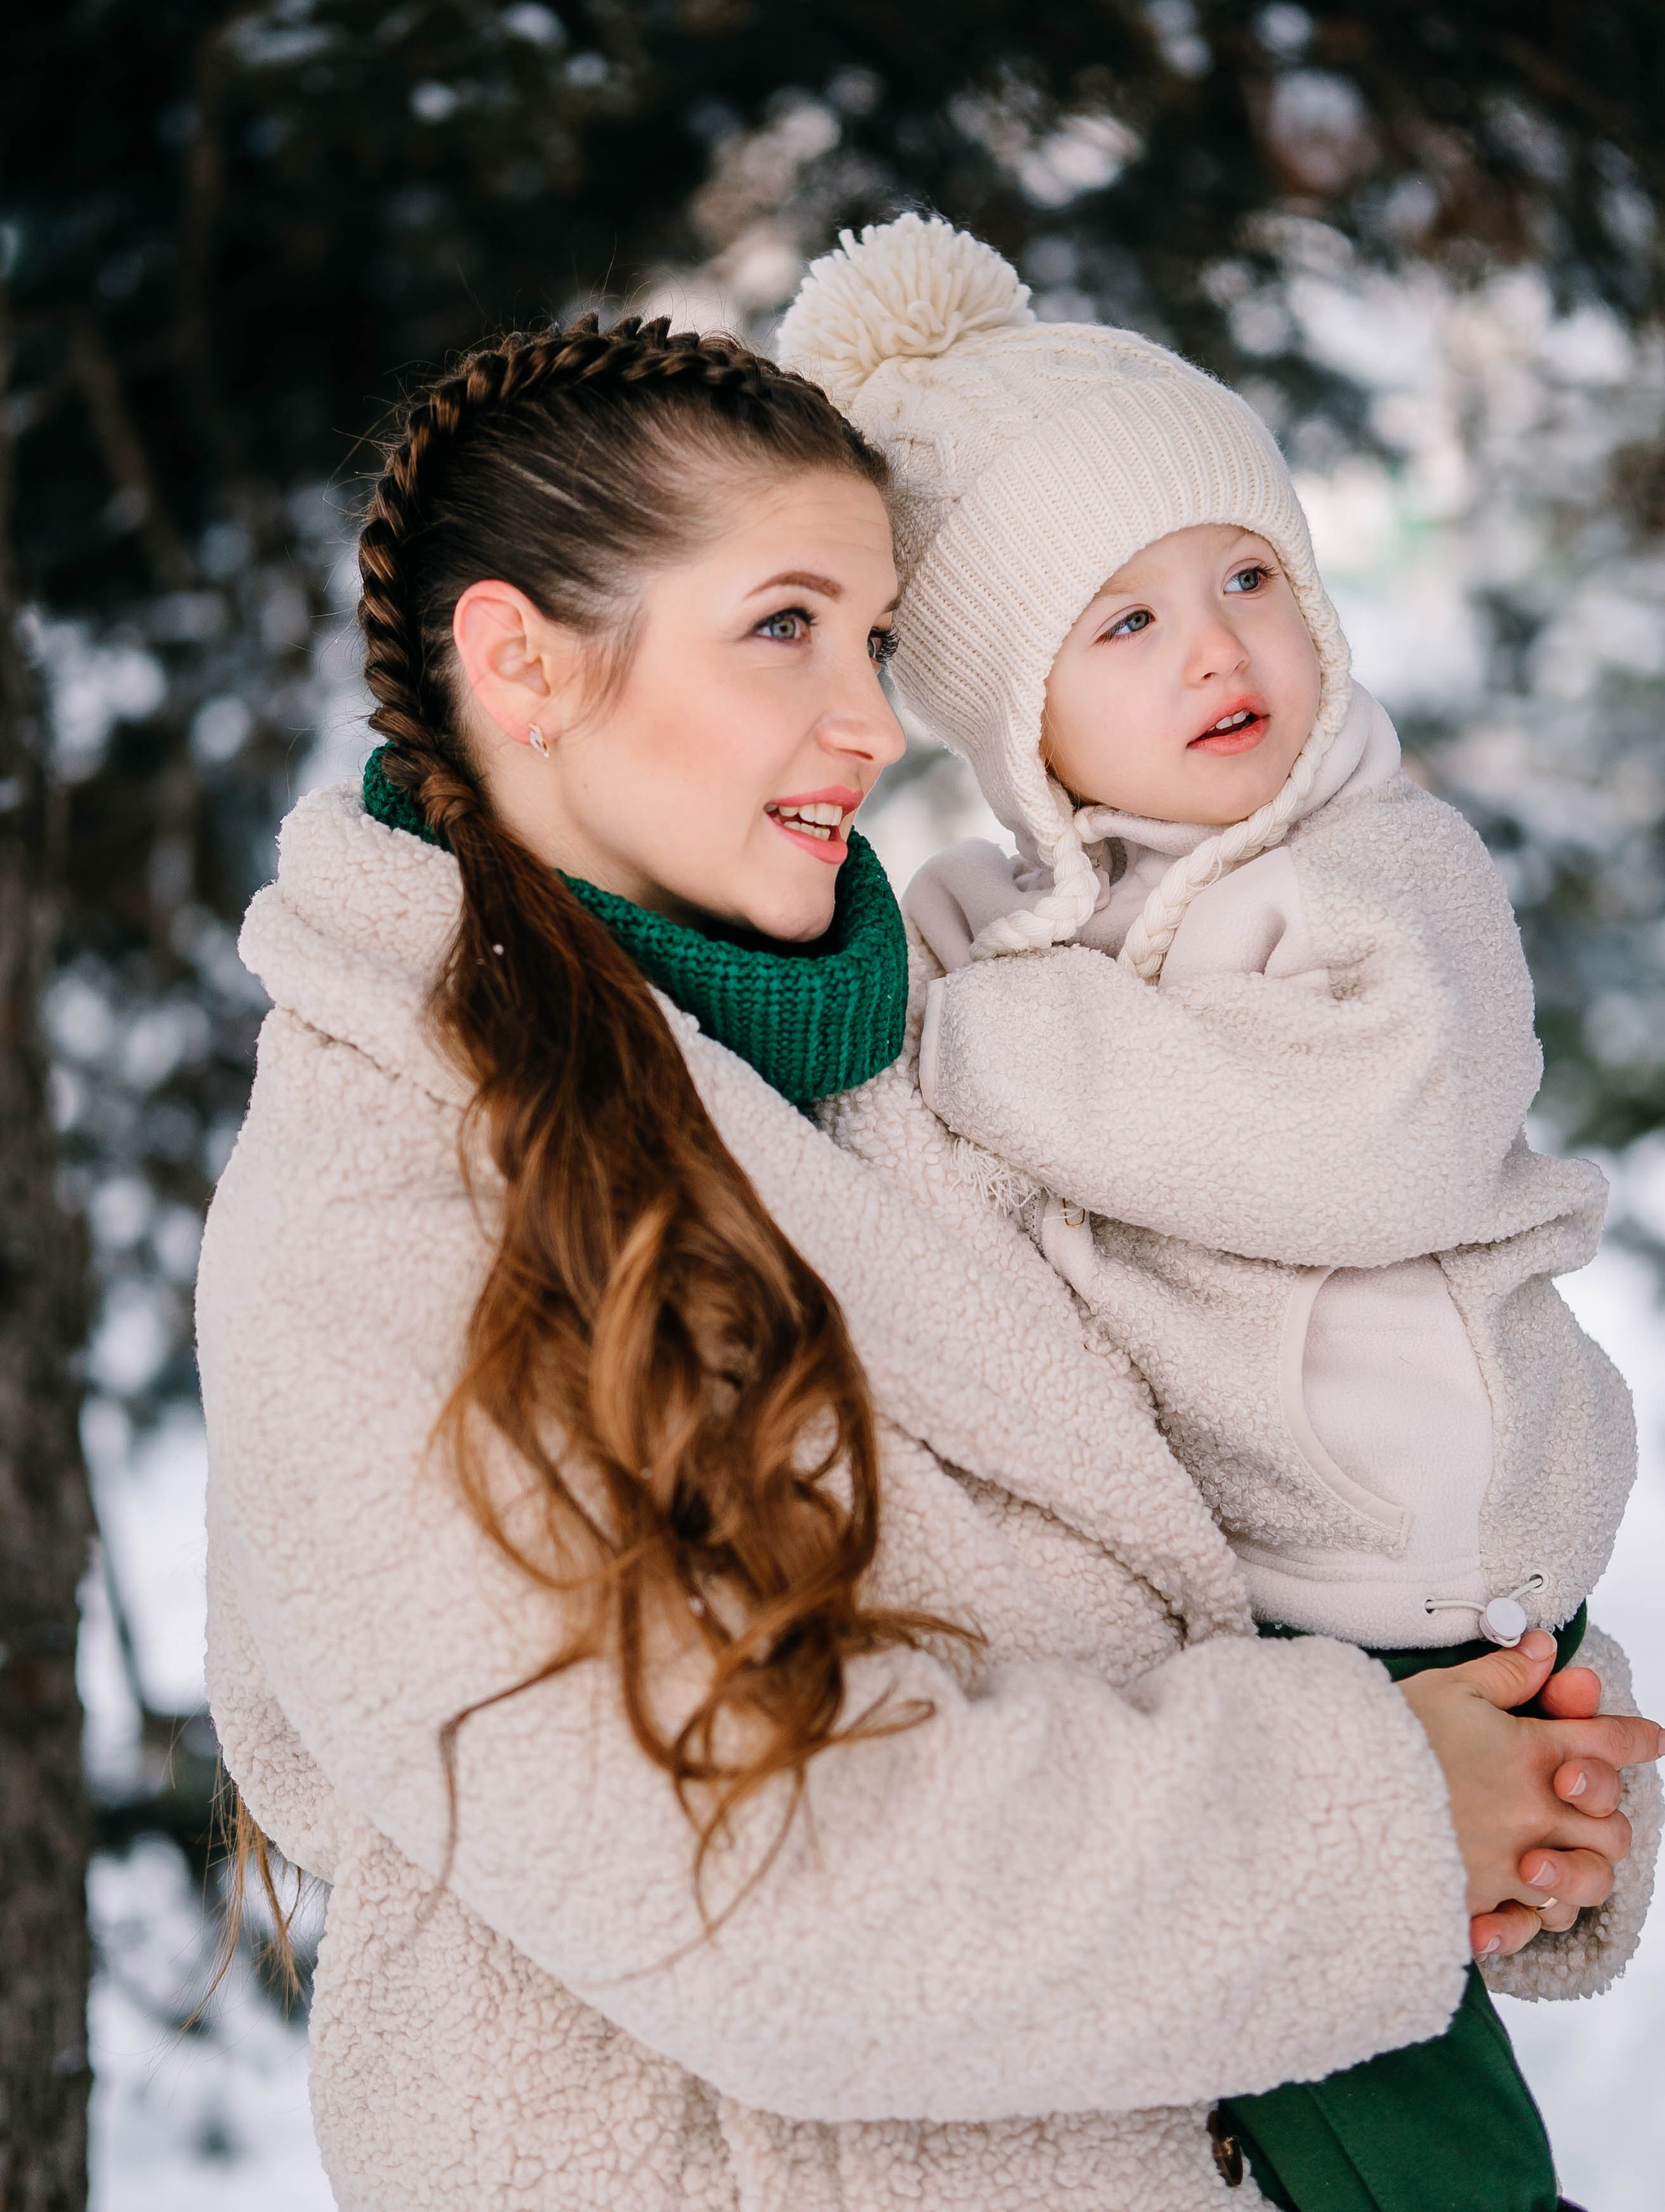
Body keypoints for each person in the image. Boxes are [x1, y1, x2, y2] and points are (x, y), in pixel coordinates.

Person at [197, 313, 1657, 2212]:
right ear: (522, 662)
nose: (876, 723)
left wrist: (1492, 1695)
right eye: (784, 625)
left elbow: (1188, 1500)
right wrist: (1377, 1809)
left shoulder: (870, 1053)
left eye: (875, 640)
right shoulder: (379, 1207)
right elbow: (739, 1869)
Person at [778, 215, 1663, 2208]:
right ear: (1014, 725)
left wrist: (998, 1055)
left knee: (1382, 2093)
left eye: (1248, 577)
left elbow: (1377, 1143)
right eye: (1126, 623)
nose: (1216, 647)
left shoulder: (1372, 861)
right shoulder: (1001, 930)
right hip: (1279, 1601)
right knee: (1298, 2053)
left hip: (1437, 1576)